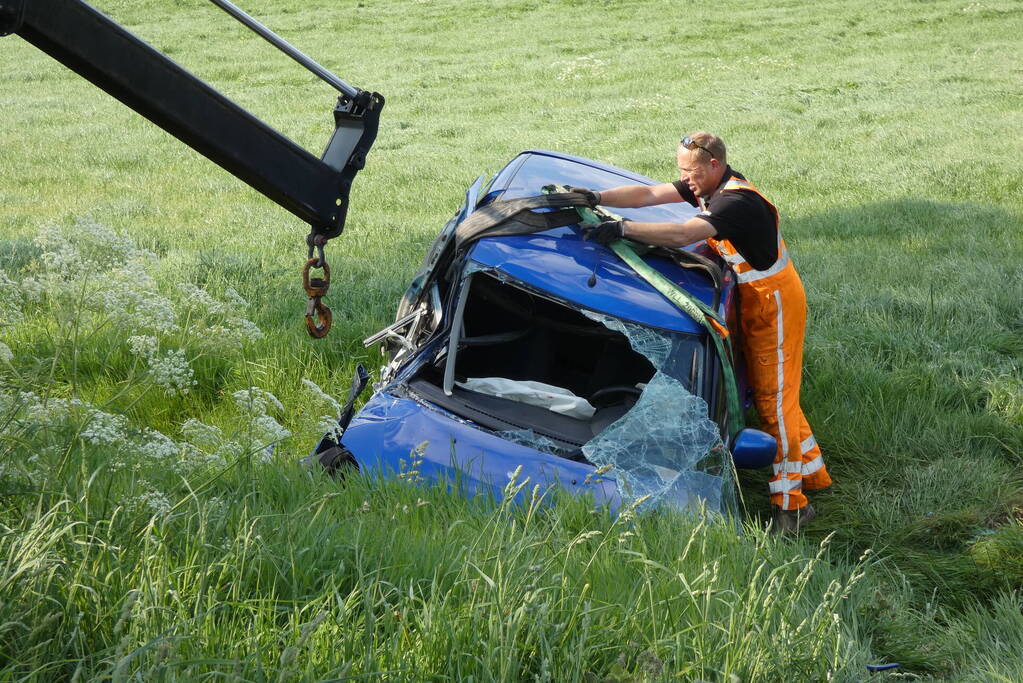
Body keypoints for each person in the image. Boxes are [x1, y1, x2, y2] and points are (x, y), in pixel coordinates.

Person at [573, 131, 831, 533]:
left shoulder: (734, 201)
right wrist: (596, 198)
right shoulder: (708, 184)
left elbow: (683, 234)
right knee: (778, 397)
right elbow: (649, 195)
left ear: (714, 164)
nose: (685, 180)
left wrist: (623, 230)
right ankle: (812, 473)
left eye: (690, 173)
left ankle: (793, 506)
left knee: (773, 403)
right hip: (755, 298)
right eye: (681, 172)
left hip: (774, 303)